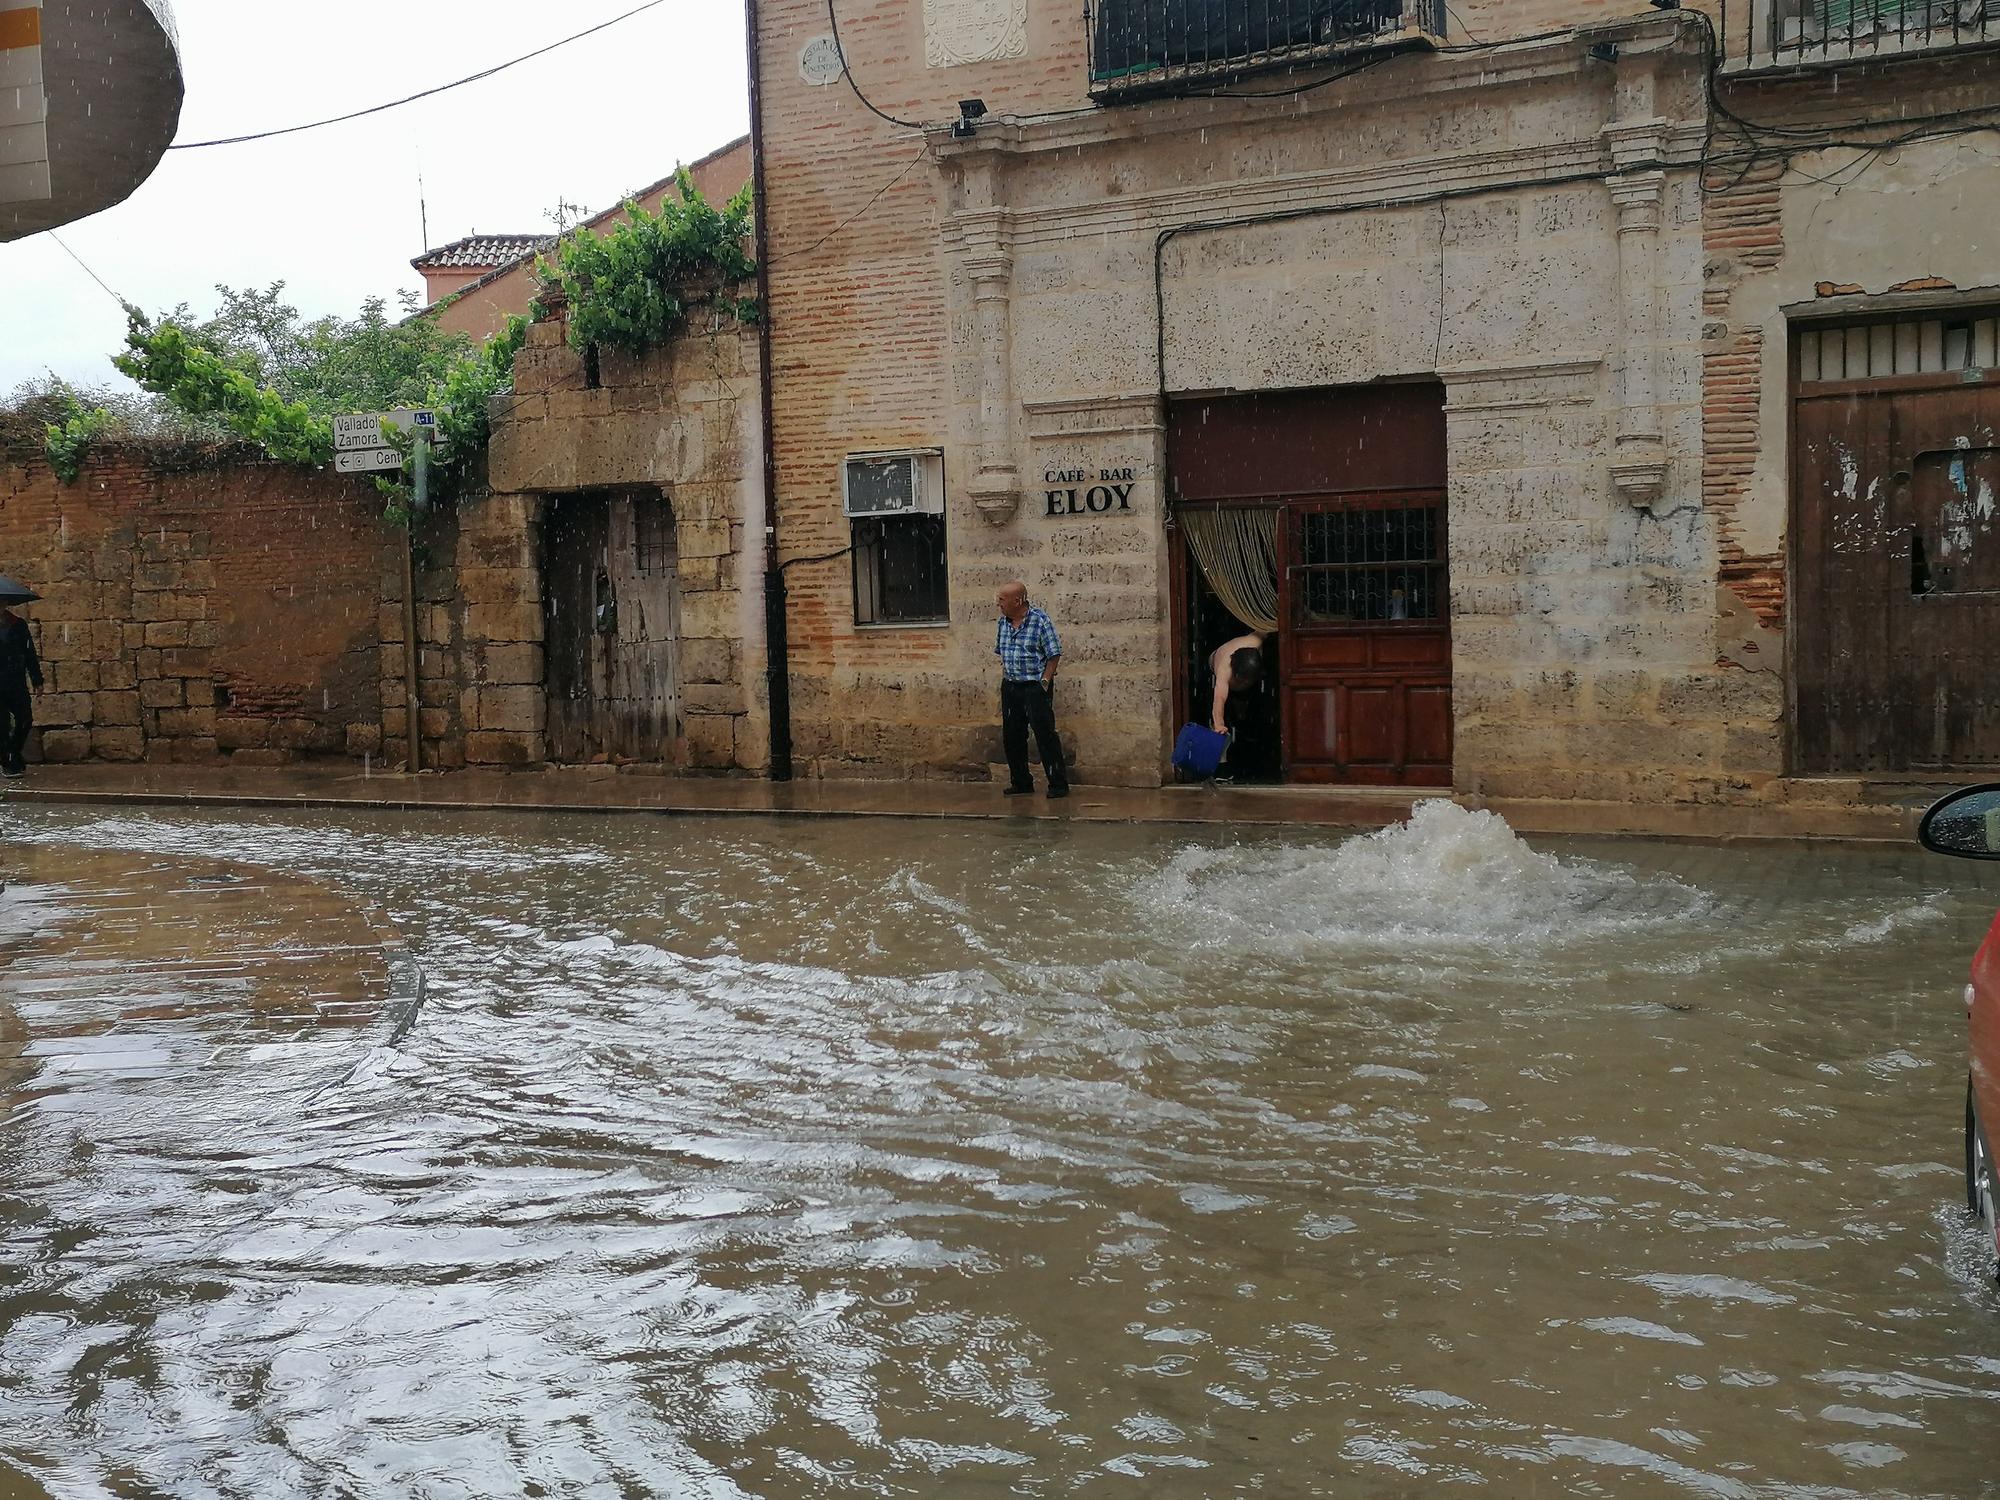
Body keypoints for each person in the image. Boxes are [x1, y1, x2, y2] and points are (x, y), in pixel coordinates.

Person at [994, 581, 1068, 799]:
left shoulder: (1040, 620)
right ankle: (1021, 782)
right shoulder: (1003, 622)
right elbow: (1001, 650)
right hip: (1011, 685)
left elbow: (1054, 654)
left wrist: (1045, 681)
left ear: (1017, 601)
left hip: (1035, 685)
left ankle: (1058, 784)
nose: (998, 603)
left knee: (1045, 735)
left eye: (1002, 599)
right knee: (1012, 736)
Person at [0, 602, 41, 777]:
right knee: (1, 725)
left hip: (16, 682)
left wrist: (37, 679)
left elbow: (29, 652)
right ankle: (8, 761)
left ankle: (13, 753)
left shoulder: (18, 624)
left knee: (25, 719)